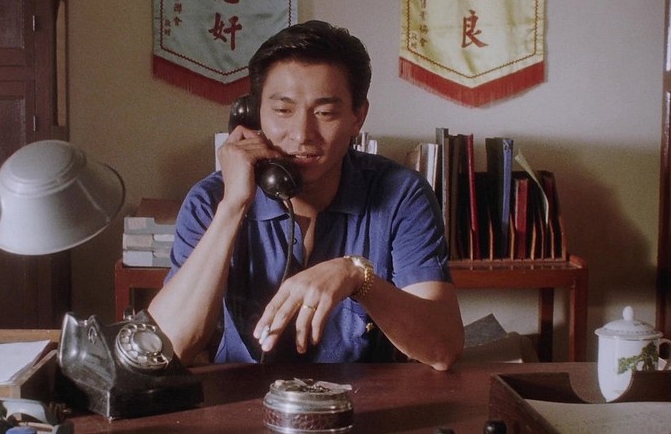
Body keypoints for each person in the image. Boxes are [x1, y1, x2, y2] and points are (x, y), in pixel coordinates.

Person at [148, 20, 464, 370]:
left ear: (358, 117)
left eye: (325, 113)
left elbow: (442, 350)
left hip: (362, 398)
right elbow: (165, 351)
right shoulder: (211, 199)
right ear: (253, 115)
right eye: (283, 110)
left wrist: (358, 278)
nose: (301, 134)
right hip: (241, 397)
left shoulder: (402, 194)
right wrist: (233, 205)